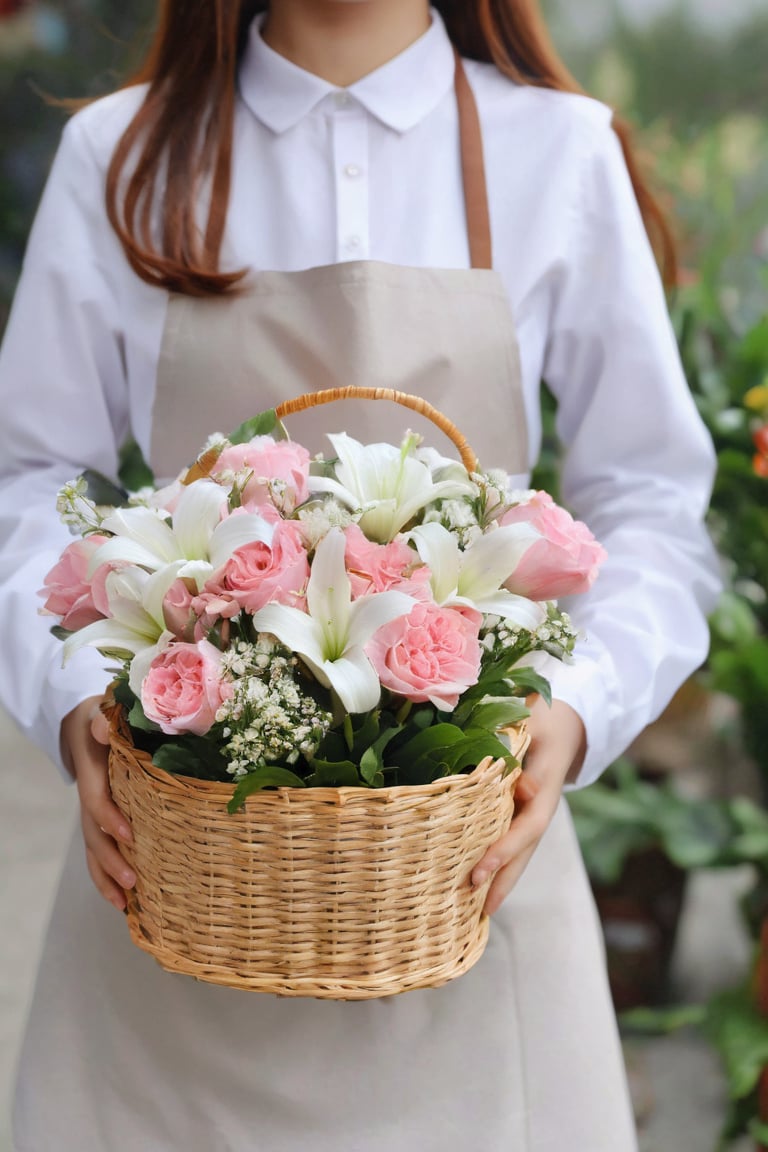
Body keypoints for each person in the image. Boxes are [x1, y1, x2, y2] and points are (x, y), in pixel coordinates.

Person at [0, 1, 720, 1149]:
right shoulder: (125, 155)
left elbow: (654, 502)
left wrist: (573, 709)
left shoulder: (558, 149)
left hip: (474, 879)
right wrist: (75, 695)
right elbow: (28, 476)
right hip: (171, 889)